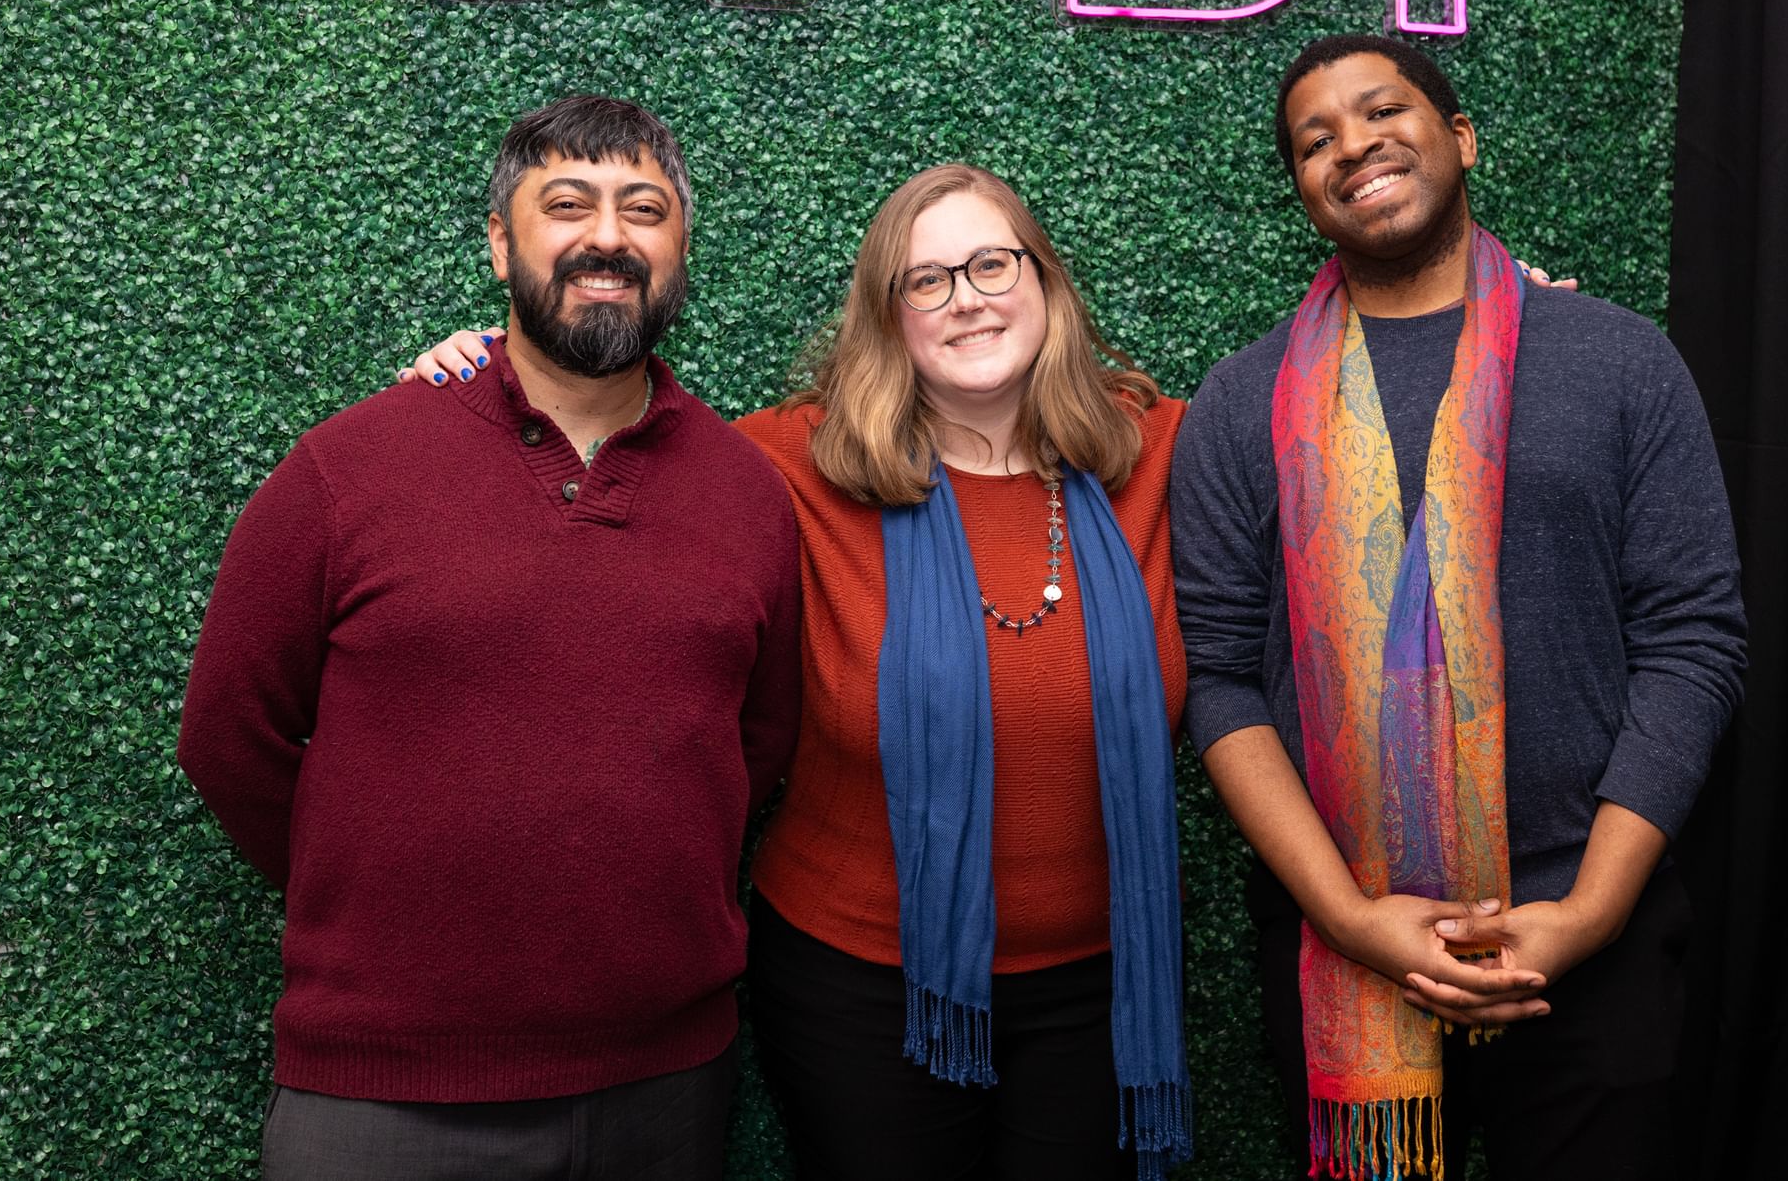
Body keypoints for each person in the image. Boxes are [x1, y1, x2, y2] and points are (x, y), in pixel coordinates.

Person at [403, 164, 1193, 1181]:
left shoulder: (1157, 445)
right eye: (926, 280)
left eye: (993, 264)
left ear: (1045, 279)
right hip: (857, 989)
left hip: (1104, 987)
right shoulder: (791, 461)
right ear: (888, 316)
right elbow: (605, 456)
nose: (967, 298)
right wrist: (488, 379)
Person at [178, 95, 803, 1181]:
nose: (607, 236)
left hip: (663, 1086)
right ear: (502, 244)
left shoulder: (749, 491)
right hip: (383, 1096)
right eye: (566, 204)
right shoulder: (347, 468)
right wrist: (374, 889)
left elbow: (759, 739)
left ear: (678, 251)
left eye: (643, 208)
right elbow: (231, 734)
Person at [1171, 36, 1747, 1181]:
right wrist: (1348, 918)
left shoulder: (1618, 362)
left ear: (1461, 138)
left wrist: (1589, 910)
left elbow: (1693, 640)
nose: (1353, 145)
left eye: (1381, 110)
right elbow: (1221, 680)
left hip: (1592, 935)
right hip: (1346, 946)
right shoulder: (1242, 402)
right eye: (1315, 140)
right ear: (1302, 189)